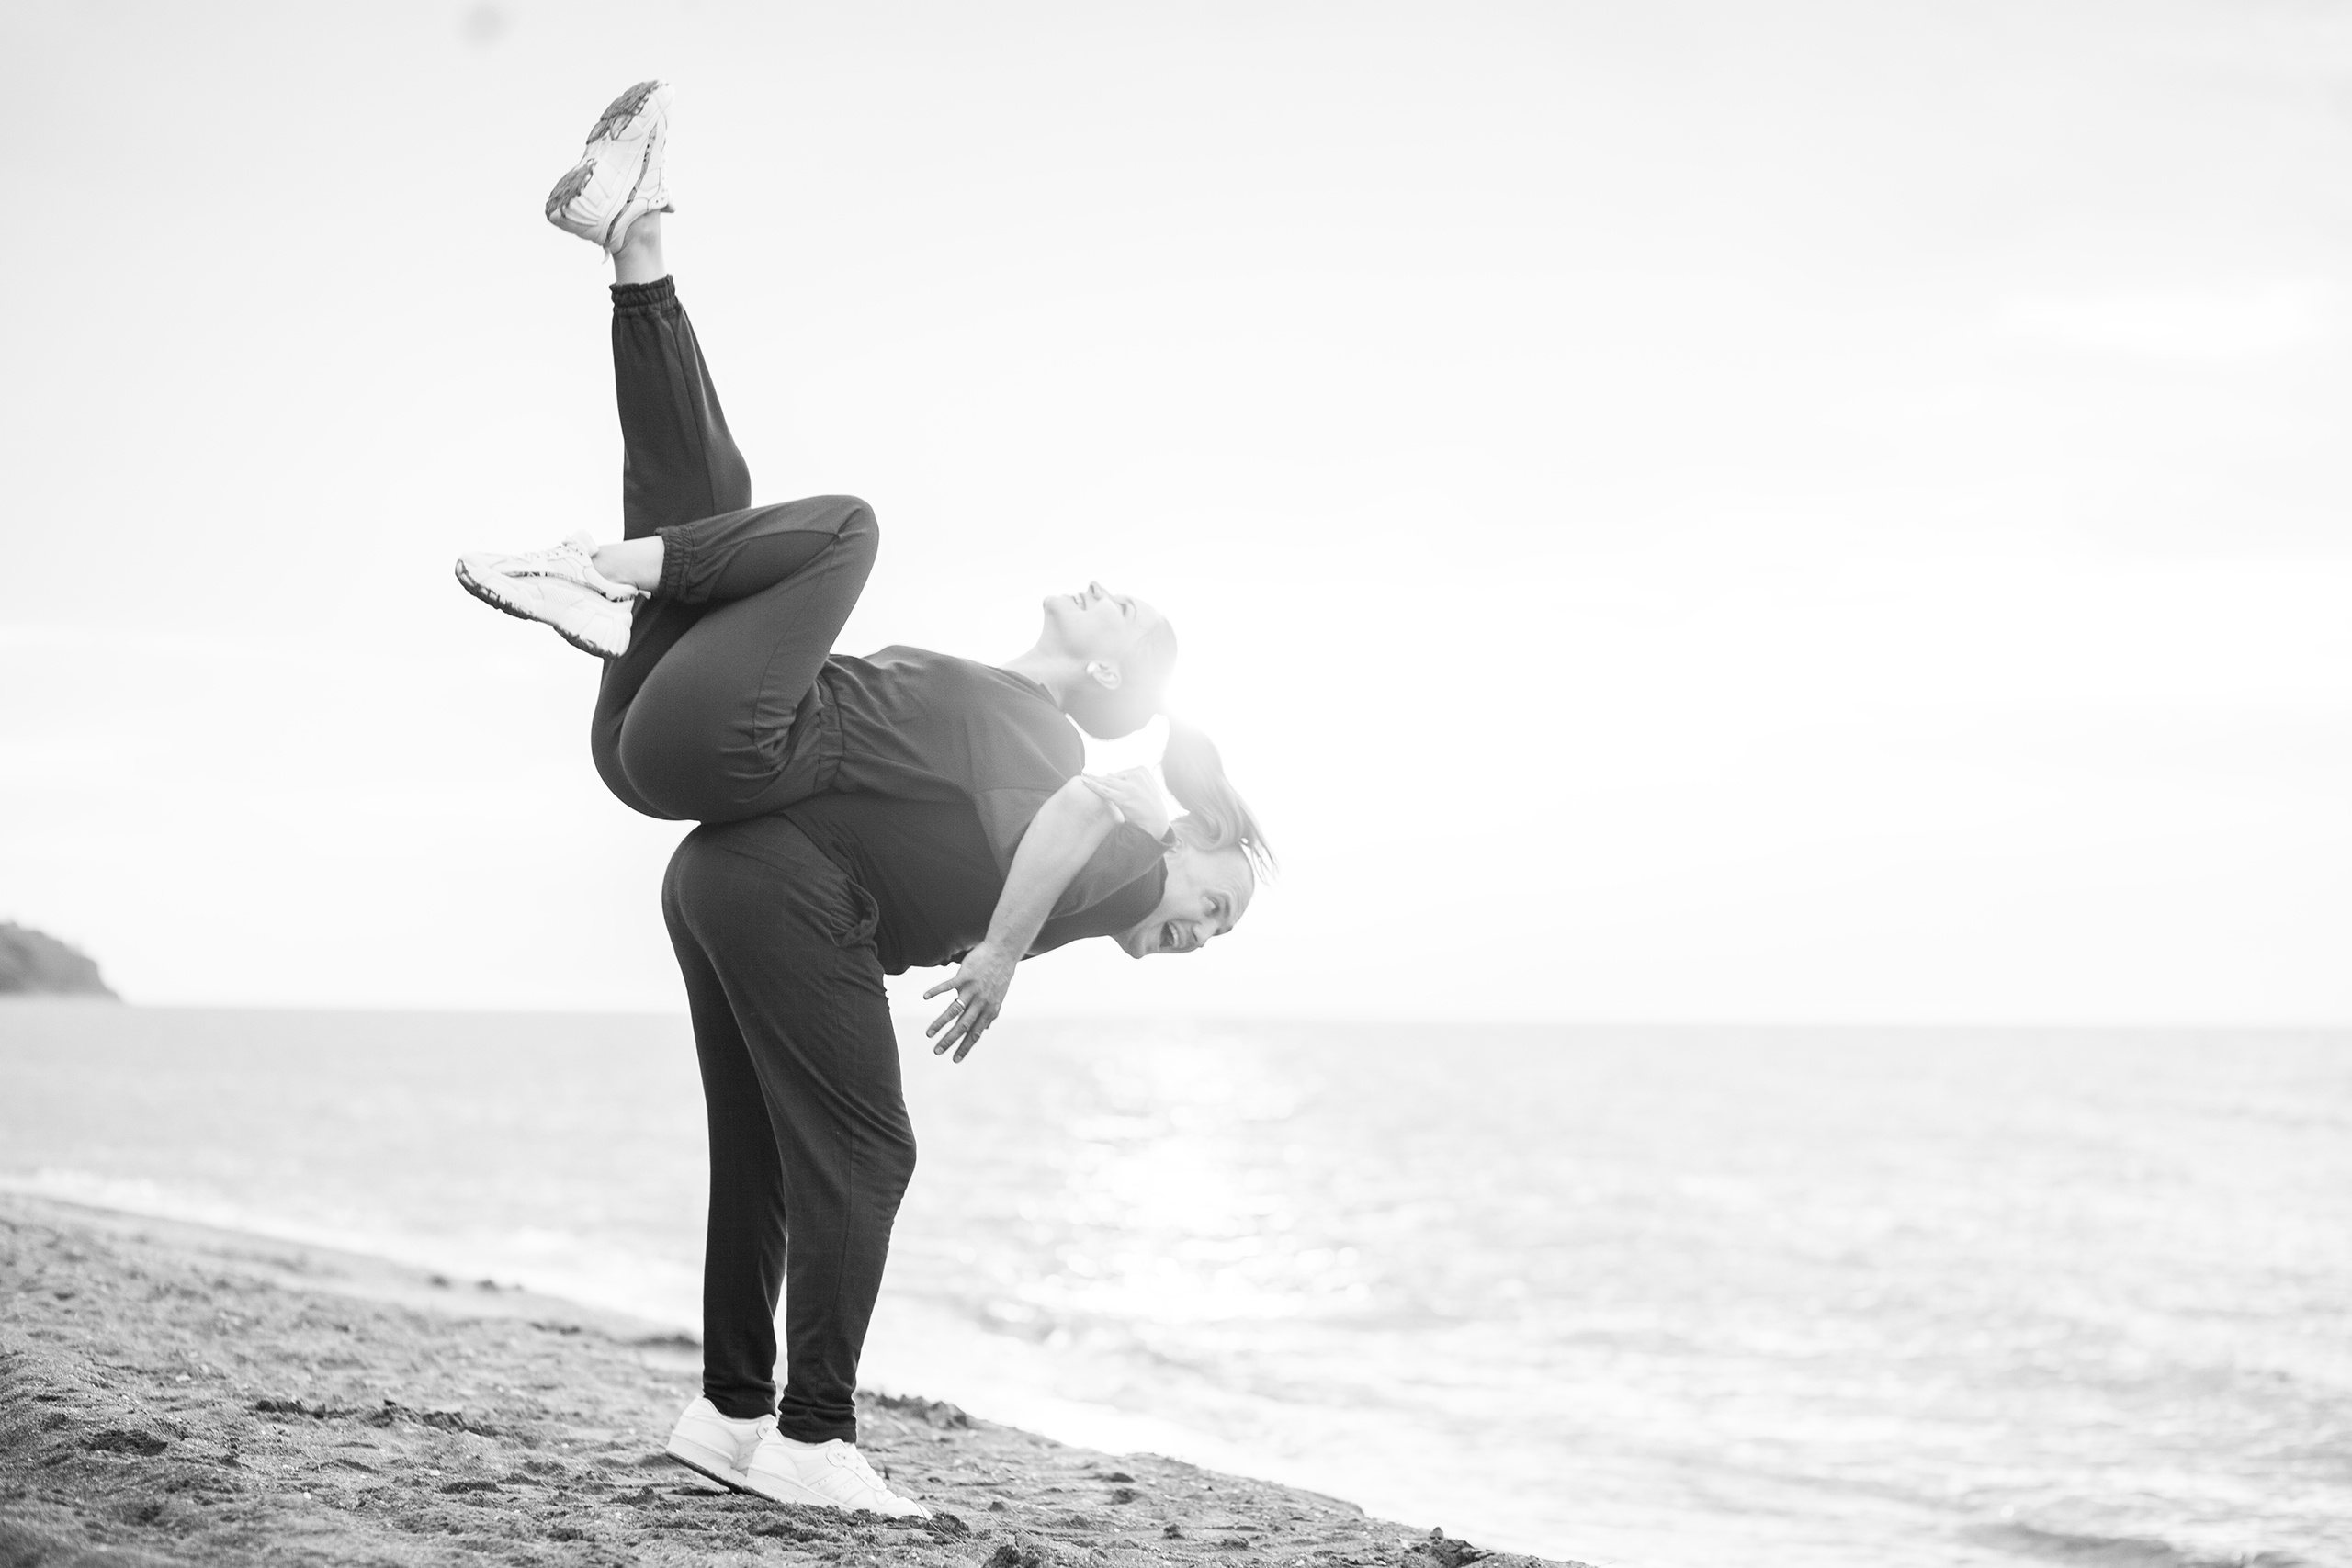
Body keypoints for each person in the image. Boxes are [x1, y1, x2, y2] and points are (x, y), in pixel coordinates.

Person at [464, 83, 1275, 1518]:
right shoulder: (1076, 781)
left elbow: (1089, 815)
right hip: (719, 788)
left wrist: (1014, 935)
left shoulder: (1076, 801)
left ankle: (730, 1412)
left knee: (769, 1149)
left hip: (718, 807)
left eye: (1211, 925)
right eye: (1220, 904)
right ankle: (810, 1437)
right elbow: (1099, 809)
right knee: (794, 520)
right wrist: (1003, 956)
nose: (1199, 926)